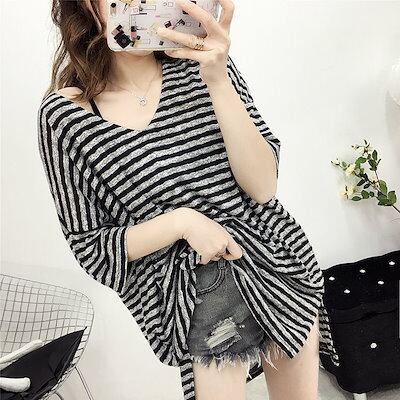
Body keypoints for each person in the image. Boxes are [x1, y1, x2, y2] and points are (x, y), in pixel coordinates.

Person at [37, 0, 340, 399]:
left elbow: (263, 187)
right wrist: (182, 222)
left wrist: (218, 80)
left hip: (276, 262)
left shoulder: (206, 64)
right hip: (194, 295)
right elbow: (91, 247)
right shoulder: (67, 116)